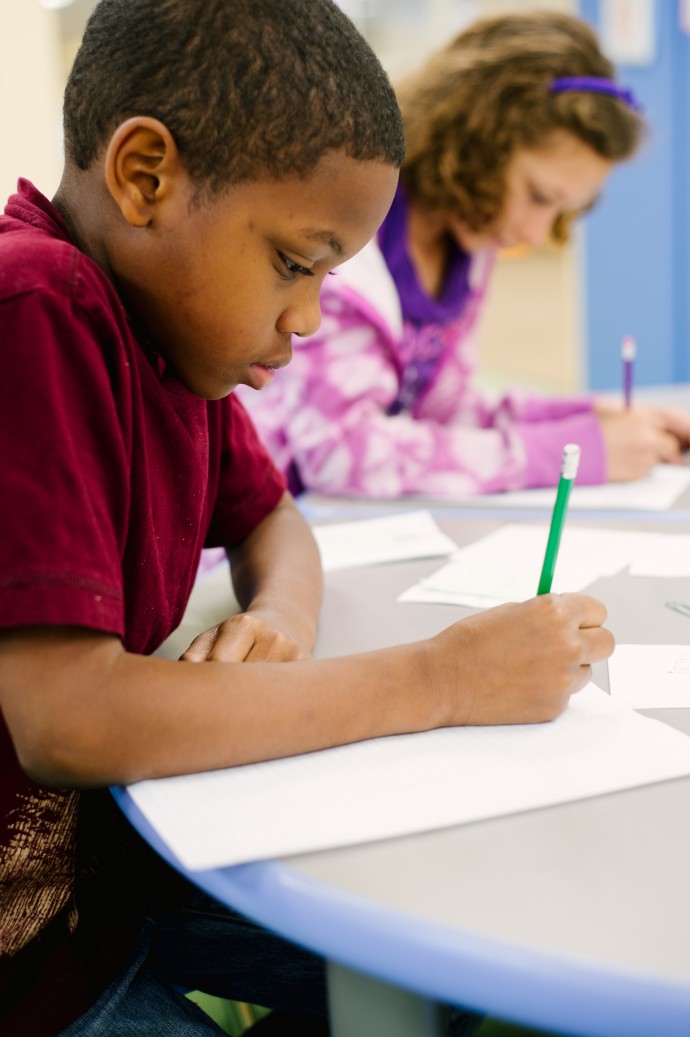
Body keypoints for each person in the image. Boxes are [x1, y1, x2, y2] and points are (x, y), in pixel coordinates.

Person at [0, 1, 614, 1034]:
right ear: (145, 175)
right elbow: (71, 717)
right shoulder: (39, 307)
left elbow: (273, 516)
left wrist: (281, 612)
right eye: (296, 262)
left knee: (449, 968)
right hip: (30, 975)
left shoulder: (176, 345)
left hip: (109, 884)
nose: (312, 317)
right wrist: (441, 679)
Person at [237, 10, 690, 499]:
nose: (536, 233)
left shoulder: (470, 248)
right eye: (538, 197)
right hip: (277, 520)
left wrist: (582, 418)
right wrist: (562, 454)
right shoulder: (349, 240)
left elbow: (441, 413)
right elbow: (343, 455)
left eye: (560, 211)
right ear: (479, 140)